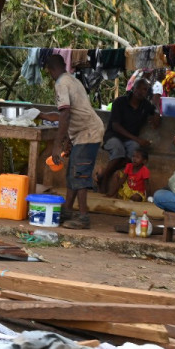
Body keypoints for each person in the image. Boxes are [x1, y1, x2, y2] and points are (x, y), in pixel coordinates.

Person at [39, 54, 105, 230]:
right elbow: (72, 113)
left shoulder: (61, 84)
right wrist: (69, 140)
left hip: (87, 133)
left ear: (50, 70)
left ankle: (83, 217)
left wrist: (57, 146)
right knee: (72, 173)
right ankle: (67, 210)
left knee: (79, 175)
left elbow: (65, 115)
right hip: (85, 132)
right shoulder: (72, 80)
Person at [98, 78, 160, 195]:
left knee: (134, 154)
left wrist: (157, 114)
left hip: (130, 140)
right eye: (138, 88)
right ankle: (105, 180)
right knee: (119, 150)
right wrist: (137, 139)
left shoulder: (145, 105)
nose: (140, 91)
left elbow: (155, 110)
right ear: (133, 88)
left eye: (144, 89)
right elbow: (115, 126)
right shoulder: (120, 102)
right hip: (113, 136)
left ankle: (104, 174)